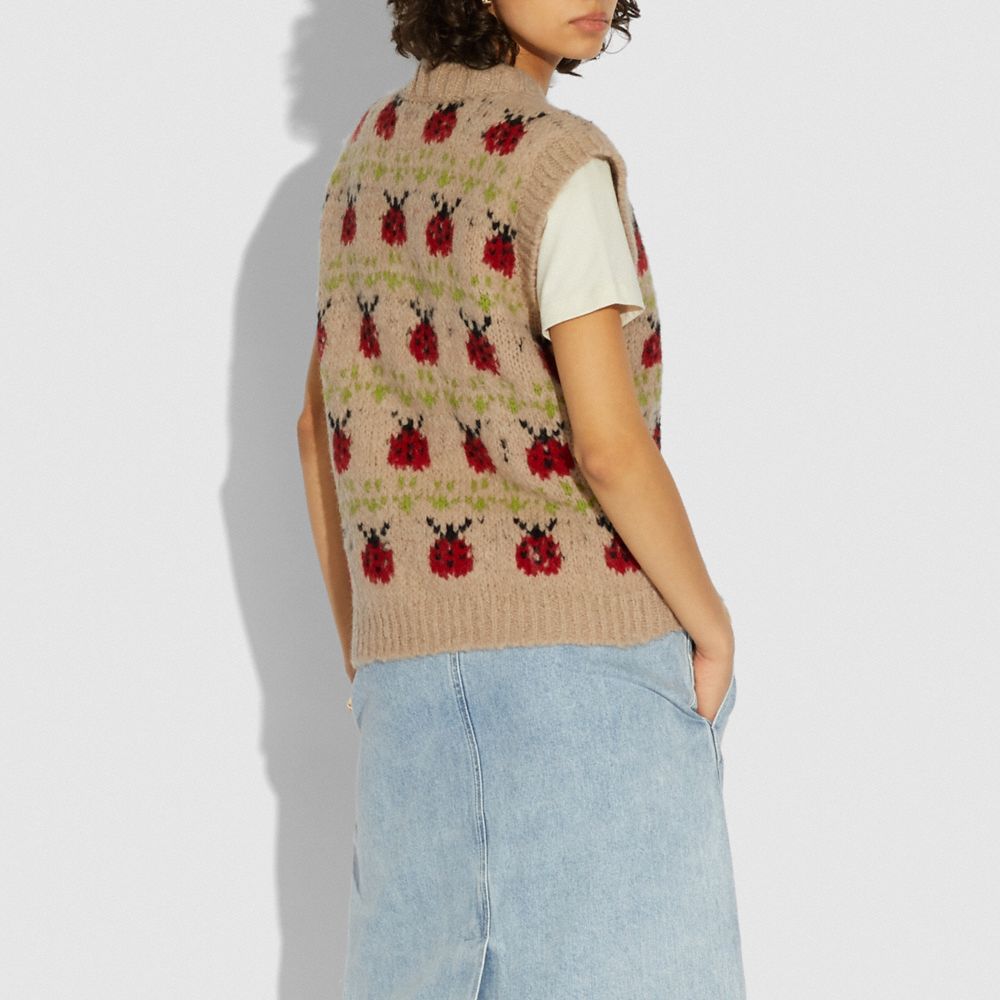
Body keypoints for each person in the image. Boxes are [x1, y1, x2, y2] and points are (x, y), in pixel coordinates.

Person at [296, 2, 745, 997]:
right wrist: (710, 627)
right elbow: (609, 447)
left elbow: (314, 431)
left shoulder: (367, 157)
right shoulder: (555, 163)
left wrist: (372, 653)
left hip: (407, 698)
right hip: (590, 691)